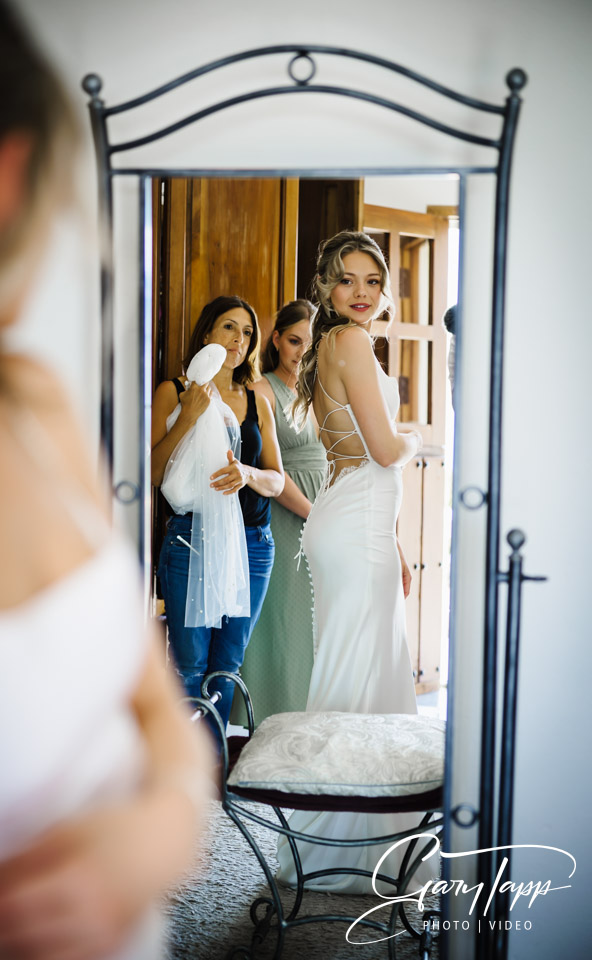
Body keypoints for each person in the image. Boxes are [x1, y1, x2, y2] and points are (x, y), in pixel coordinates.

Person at [0, 3, 213, 958]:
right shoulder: (171, 386)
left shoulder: (33, 403)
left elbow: (155, 704)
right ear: (9, 178)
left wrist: (163, 830)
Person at [276, 230, 428, 895]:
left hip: (356, 521)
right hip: (353, 525)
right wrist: (419, 436)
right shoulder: (352, 341)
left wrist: (393, 541)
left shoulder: (333, 344)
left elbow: (354, 464)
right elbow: (386, 451)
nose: (361, 293)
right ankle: (343, 843)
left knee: (360, 669)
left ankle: (351, 833)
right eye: (347, 280)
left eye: (372, 280)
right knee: (355, 676)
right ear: (327, 288)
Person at [151, 296, 284, 732]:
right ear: (206, 333)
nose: (238, 340)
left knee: (228, 662)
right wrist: (188, 418)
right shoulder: (175, 390)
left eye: (247, 333)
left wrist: (247, 472)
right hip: (192, 540)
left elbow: (277, 481)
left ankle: (214, 767)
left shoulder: (256, 398)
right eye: (229, 328)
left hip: (253, 545)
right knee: (189, 663)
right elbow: (151, 473)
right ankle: (184, 773)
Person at [233, 300, 327, 724]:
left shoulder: (323, 390)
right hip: (287, 516)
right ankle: (272, 720)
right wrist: (315, 516)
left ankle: (313, 721)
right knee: (284, 622)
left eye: (310, 344)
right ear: (275, 340)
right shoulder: (262, 391)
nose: (301, 352)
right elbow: (272, 471)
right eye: (293, 341)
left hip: (328, 511)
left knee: (318, 623)